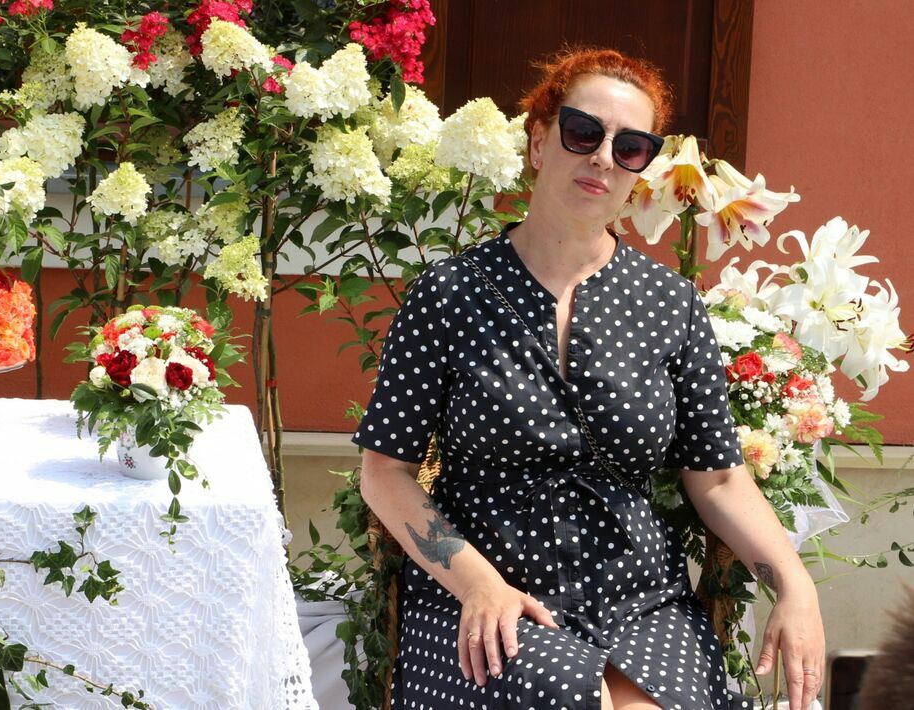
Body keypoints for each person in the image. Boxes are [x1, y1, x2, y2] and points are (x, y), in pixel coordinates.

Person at [352, 47, 825, 710]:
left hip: (640, 597)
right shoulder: (450, 293)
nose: (603, 157)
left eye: (630, 147)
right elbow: (385, 472)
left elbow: (718, 479)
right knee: (566, 698)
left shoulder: (671, 303)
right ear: (539, 142)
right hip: (486, 587)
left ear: (641, 168)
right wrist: (477, 584)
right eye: (583, 133)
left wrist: (796, 586)